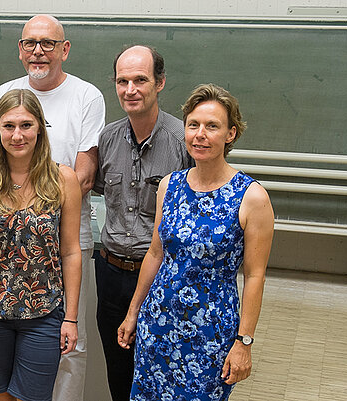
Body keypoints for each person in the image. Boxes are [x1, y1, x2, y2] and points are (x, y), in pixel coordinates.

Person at [117, 84, 274, 400]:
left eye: (212, 126)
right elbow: (156, 252)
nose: (200, 134)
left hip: (209, 332)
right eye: (193, 125)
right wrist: (133, 312)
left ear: (230, 134)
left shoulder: (251, 197)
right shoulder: (170, 185)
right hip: (158, 322)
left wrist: (244, 343)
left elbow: (255, 276)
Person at [0, 14, 105, 401]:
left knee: (69, 342)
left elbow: (83, 177)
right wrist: (13, 216)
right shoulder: (4, 92)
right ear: (20, 50)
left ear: (64, 49)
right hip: (3, 243)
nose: (38, 50)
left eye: (48, 43)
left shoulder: (87, 96)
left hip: (62, 238)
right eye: (30, 43)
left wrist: (34, 213)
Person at [0, 88, 81, 401]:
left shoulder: (63, 179)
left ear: (40, 127)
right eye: (9, 126)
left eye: (26, 125)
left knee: (34, 397)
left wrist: (71, 317)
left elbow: (70, 252)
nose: (17, 135)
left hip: (44, 311)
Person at [93, 45, 193, 400]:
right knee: (118, 370)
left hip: (162, 274)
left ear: (160, 83)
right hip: (110, 272)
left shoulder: (184, 141)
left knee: (161, 371)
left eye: (140, 80)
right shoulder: (106, 138)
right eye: (122, 81)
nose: (130, 89)